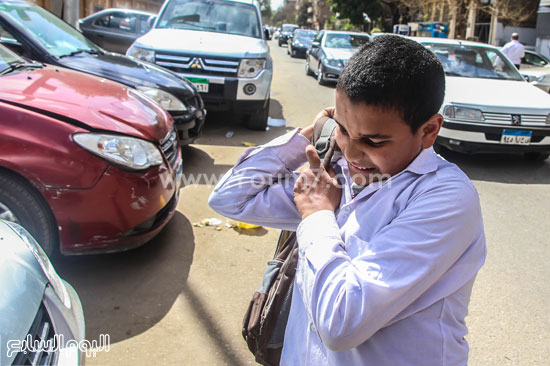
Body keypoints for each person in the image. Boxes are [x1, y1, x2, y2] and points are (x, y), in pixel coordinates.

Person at [209, 35, 486, 365]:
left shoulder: (445, 198)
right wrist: (307, 135)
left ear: (428, 131)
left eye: (373, 140)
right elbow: (230, 197)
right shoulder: (335, 175)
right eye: (342, 129)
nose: (352, 152)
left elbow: (340, 324)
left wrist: (316, 217)